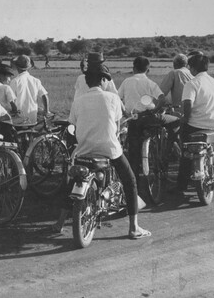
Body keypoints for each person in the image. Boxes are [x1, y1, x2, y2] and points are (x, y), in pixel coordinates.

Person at [53, 62, 150, 239]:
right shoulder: (112, 98)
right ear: (103, 80)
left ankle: (59, 223)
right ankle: (134, 227)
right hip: (109, 149)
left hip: (83, 150)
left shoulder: (78, 101)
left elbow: (72, 125)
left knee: (71, 182)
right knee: (130, 180)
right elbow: (118, 126)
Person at [173, 53, 214, 194]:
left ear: (192, 68)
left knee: (185, 151)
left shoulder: (191, 84)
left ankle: (181, 186)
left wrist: (184, 119)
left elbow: (187, 105)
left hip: (195, 126)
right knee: (213, 140)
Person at [118, 56, 166, 179]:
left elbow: (118, 99)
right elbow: (162, 99)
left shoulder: (127, 81)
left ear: (133, 68)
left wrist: (125, 113)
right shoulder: (150, 83)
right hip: (149, 117)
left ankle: (134, 180)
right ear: (148, 70)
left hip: (133, 119)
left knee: (133, 151)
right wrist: (155, 110)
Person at [10, 55, 50, 123]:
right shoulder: (35, 80)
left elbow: (11, 100)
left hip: (19, 118)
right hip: (33, 117)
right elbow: (44, 96)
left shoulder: (15, 81)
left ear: (17, 67)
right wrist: (46, 111)